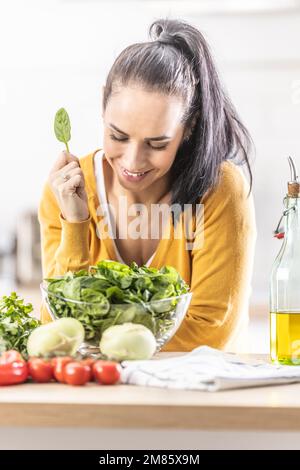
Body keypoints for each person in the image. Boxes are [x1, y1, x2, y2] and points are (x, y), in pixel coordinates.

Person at [38, 18, 256, 352]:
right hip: (99, 392)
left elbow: (210, 333)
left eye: (157, 144)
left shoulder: (220, 188)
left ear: (189, 127)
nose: (132, 161)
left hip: (194, 393)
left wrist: (100, 341)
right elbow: (58, 327)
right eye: (118, 136)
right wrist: (77, 224)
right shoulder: (66, 190)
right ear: (103, 106)